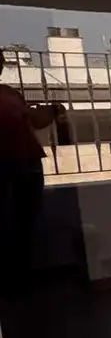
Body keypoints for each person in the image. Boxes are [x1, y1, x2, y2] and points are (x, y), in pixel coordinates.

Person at [0, 73, 62, 294]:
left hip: (27, 165)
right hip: (10, 168)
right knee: (11, 226)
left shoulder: (9, 93)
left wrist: (51, 111)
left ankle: (22, 282)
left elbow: (33, 120)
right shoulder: (8, 95)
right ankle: (15, 284)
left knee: (25, 224)